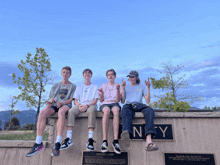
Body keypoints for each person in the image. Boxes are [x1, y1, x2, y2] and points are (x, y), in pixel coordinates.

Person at [26, 66, 76, 157]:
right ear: (61, 73)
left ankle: (57, 142)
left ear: (70, 75)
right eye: (64, 72)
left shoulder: (73, 86)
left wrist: (62, 103)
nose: (65, 74)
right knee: (42, 113)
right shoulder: (55, 86)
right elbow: (52, 98)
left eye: (67, 73)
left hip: (65, 104)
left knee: (61, 112)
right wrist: (50, 102)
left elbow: (71, 100)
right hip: (55, 104)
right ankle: (38, 143)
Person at [59, 69, 98, 153]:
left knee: (92, 111)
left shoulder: (95, 86)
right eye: (85, 73)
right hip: (80, 105)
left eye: (89, 73)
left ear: (91, 76)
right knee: (71, 111)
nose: (87, 74)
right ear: (83, 75)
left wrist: (87, 105)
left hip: (90, 105)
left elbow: (95, 100)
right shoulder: (79, 87)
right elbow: (75, 100)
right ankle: (69, 138)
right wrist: (79, 105)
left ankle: (90, 140)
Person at [120, 70, 159, 151]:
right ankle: (126, 133)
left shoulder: (141, 86)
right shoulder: (126, 87)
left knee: (150, 111)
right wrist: (123, 88)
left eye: (133, 77)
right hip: (129, 105)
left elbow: (147, 101)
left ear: (136, 77)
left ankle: (148, 141)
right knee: (124, 109)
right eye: (130, 77)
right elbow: (123, 101)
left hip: (139, 105)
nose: (131, 78)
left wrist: (148, 88)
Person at [98, 69, 121, 154]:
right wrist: (101, 93)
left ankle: (115, 141)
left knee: (116, 111)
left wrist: (118, 90)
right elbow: (101, 100)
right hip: (105, 104)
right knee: (106, 111)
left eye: (112, 74)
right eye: (108, 75)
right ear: (107, 77)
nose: (110, 76)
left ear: (115, 76)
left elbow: (118, 100)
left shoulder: (118, 85)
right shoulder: (103, 85)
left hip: (114, 103)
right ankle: (105, 141)